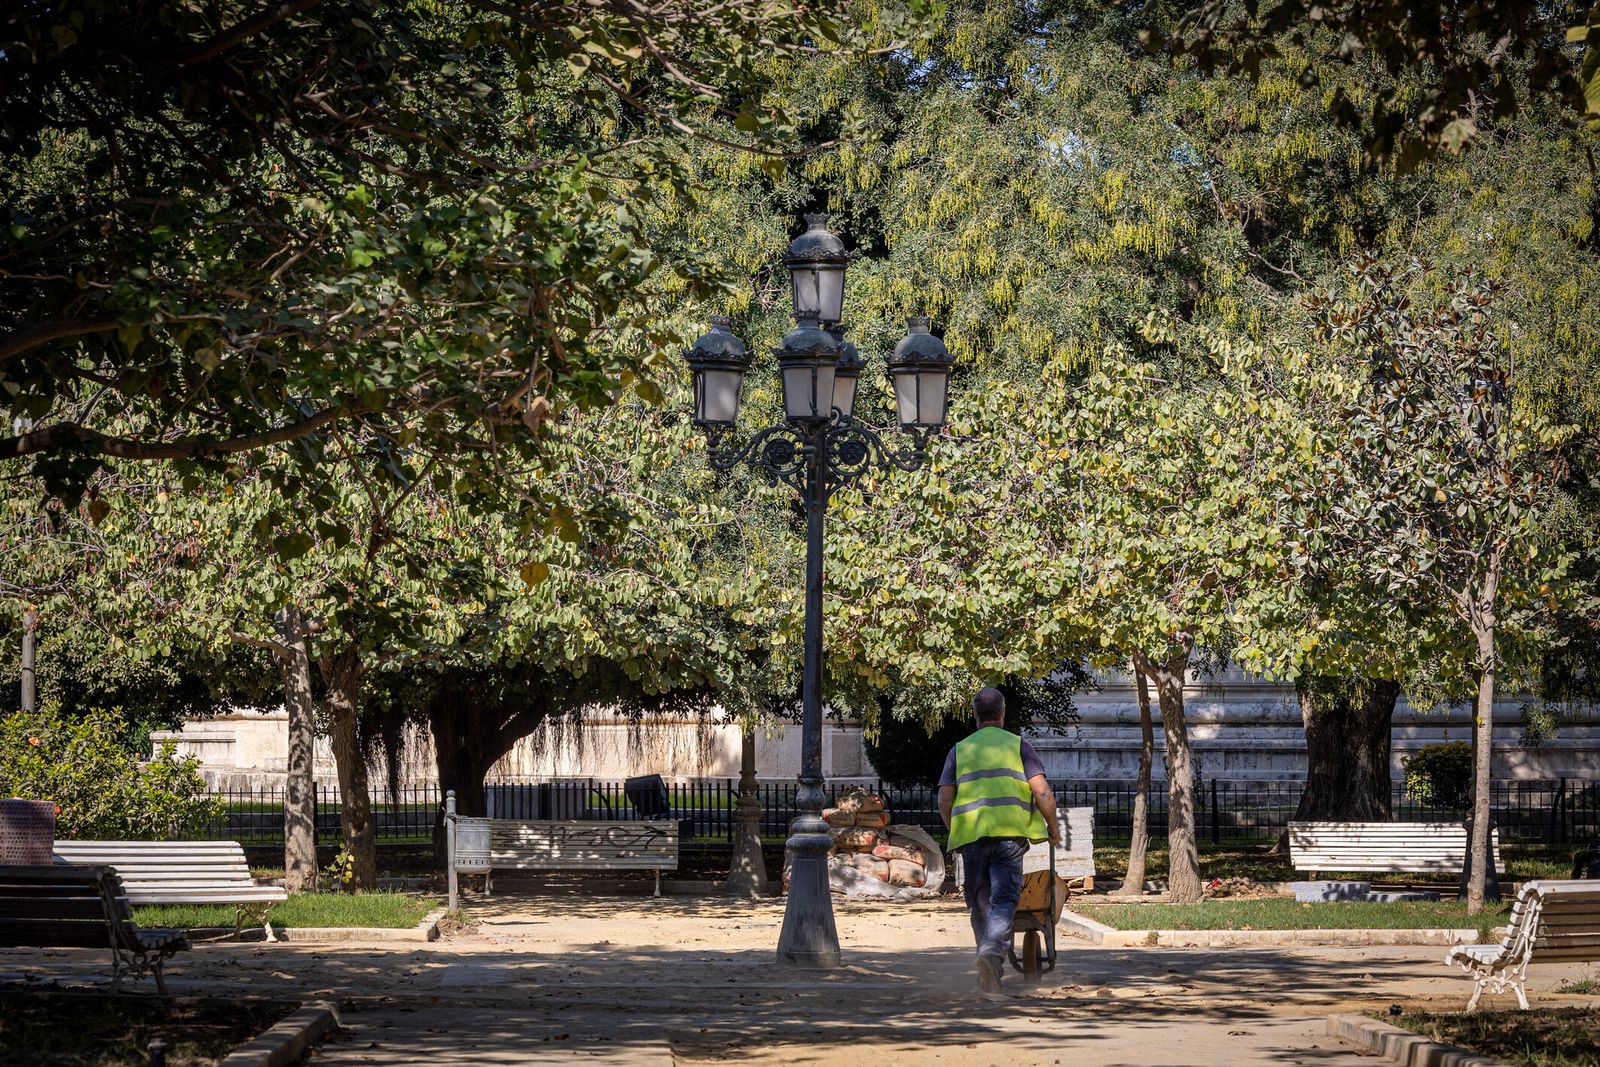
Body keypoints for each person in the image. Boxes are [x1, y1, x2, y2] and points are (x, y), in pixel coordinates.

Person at [938, 687, 1059, 995]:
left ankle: (987, 964)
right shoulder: (1019, 746)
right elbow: (1042, 792)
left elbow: (944, 798)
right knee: (1004, 901)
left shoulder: (960, 749)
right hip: (1009, 838)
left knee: (979, 902)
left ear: (976, 715)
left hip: (972, 839)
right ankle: (991, 955)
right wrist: (1053, 827)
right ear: (1002, 713)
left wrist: (956, 828)